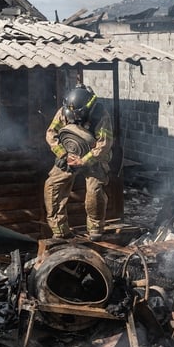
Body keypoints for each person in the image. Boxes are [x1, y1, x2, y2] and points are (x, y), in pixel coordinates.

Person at [43, 84, 113, 240]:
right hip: (69, 154)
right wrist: (63, 154)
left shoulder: (101, 115)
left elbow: (104, 144)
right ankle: (60, 230)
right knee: (52, 186)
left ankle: (95, 228)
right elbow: (51, 134)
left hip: (93, 157)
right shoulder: (65, 110)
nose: (72, 116)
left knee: (94, 191)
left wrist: (84, 160)